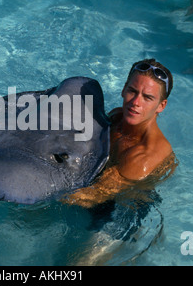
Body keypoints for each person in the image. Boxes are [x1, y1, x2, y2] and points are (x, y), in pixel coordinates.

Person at [63, 59, 177, 208]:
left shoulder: (143, 157)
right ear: (124, 89)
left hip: (126, 208)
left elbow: (92, 197)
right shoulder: (117, 116)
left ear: (161, 106)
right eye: (132, 91)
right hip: (101, 182)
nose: (136, 102)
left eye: (147, 98)